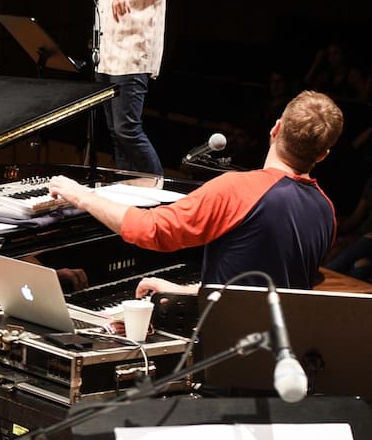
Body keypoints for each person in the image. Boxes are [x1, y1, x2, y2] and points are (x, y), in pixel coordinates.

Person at [48, 90, 344, 296]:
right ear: (323, 155)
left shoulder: (237, 188)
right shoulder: (326, 211)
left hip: (224, 356)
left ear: (276, 129)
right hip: (283, 359)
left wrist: (81, 196)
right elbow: (269, 291)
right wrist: (185, 292)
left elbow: (149, 229)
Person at [27, 0, 172, 175]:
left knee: (128, 130)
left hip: (132, 59)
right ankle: (129, 191)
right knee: (117, 135)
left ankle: (158, 190)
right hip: (105, 58)